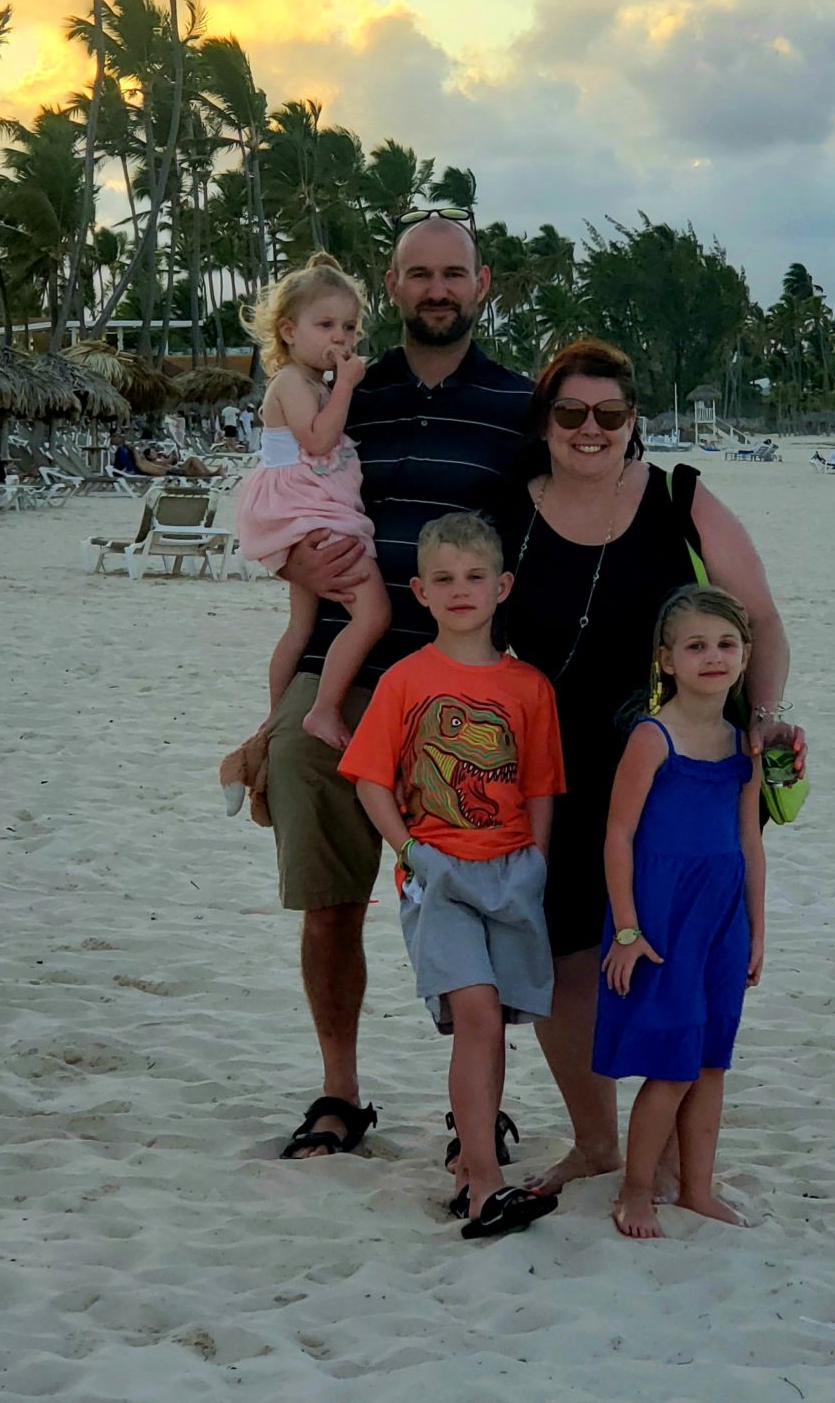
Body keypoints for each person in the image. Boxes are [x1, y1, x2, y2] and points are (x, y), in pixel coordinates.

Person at [230, 212, 533, 1165]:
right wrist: (295, 573)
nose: (437, 289)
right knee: (330, 901)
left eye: (454, 274)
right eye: (418, 274)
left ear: (481, 286)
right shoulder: (339, 387)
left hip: (462, 689)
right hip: (338, 670)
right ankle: (340, 1091)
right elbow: (285, 499)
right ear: (392, 287)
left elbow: (548, 538)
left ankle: (474, 1110)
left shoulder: (521, 405)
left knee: (478, 893)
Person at [498, 337, 801, 1198]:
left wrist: (763, 720)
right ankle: (597, 1142)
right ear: (545, 421)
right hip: (548, 757)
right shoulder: (509, 504)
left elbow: (764, 619)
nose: (589, 430)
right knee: (564, 949)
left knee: (670, 945)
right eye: (570, 413)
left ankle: (665, 1150)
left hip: (673, 755)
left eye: (610, 414)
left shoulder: (680, 497)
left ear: (634, 422)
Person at [341, 512, 566, 1240]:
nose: (460, 590)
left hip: (511, 873)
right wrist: (409, 852)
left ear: (502, 587)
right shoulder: (405, 681)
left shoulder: (530, 687)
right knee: (472, 1010)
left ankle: (473, 1160)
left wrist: (536, 861)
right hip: (438, 874)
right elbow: (371, 779)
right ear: (420, 591)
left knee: (494, 1023)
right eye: (444, 579)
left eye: (475, 577)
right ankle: (487, 1186)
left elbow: (539, 785)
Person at [596, 587, 768, 1239]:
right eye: (695, 646)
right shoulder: (653, 735)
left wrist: (756, 929)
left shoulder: (742, 743)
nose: (713, 657)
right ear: (666, 660)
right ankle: (635, 1190)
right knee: (670, 1065)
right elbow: (617, 835)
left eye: (726, 645)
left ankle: (697, 1188)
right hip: (661, 920)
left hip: (722, 922)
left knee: (711, 1062)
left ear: (745, 654)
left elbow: (750, 840)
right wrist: (628, 928)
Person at [232, 255, 392, 752]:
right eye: (325, 325)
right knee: (373, 614)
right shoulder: (291, 384)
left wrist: (338, 387)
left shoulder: (316, 385)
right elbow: (319, 442)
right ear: (288, 331)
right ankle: (321, 709)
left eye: (348, 326)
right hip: (308, 511)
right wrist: (345, 386)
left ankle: (274, 721)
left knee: (302, 625)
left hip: (313, 507)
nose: (340, 338)